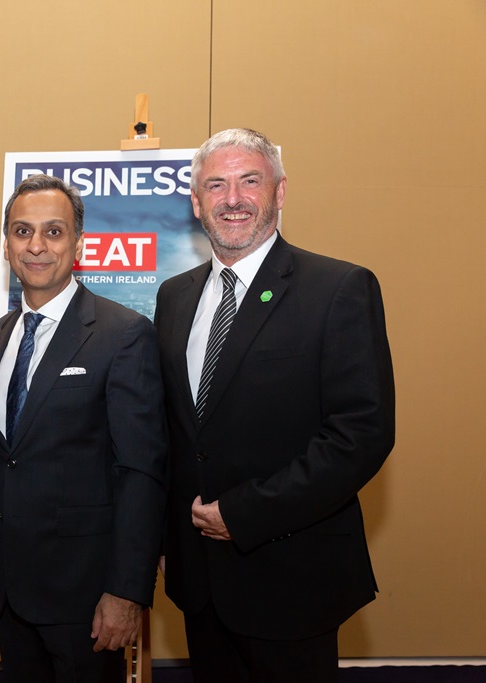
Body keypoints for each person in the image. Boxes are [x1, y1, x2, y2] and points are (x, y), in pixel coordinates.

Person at [154, 128, 395, 682]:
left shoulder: (338, 288)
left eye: (249, 181)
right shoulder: (174, 297)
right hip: (201, 585)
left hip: (294, 579)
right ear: (195, 202)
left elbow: (361, 434)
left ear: (280, 192)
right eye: (215, 184)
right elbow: (178, 433)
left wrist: (244, 514)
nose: (232, 198)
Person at [0, 174, 167, 682]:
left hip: (88, 596)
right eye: (22, 231)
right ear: (6, 243)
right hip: (10, 591)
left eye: (53, 232)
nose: (36, 246)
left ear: (78, 243)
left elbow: (140, 471)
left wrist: (127, 590)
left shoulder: (123, 335)